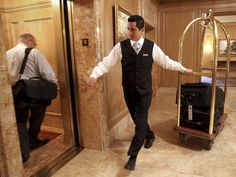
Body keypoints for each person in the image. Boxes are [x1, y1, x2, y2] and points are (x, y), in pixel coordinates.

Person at [87, 15, 193, 170]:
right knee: (139, 120)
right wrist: (94, 75)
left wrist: (183, 68)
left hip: (144, 93)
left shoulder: (151, 47)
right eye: (128, 29)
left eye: (133, 29)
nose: (129, 32)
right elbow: (106, 62)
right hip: (128, 91)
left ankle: (133, 155)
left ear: (142, 30)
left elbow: (166, 61)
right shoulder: (121, 47)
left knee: (140, 121)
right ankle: (149, 136)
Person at [6, 33, 57, 163]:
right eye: (34, 43)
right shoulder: (34, 52)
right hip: (35, 93)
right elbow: (48, 73)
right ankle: (33, 140)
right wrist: (53, 85)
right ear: (29, 41)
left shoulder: (6, 53)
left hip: (17, 93)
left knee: (20, 121)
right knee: (37, 116)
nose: (35, 45)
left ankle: (23, 153)